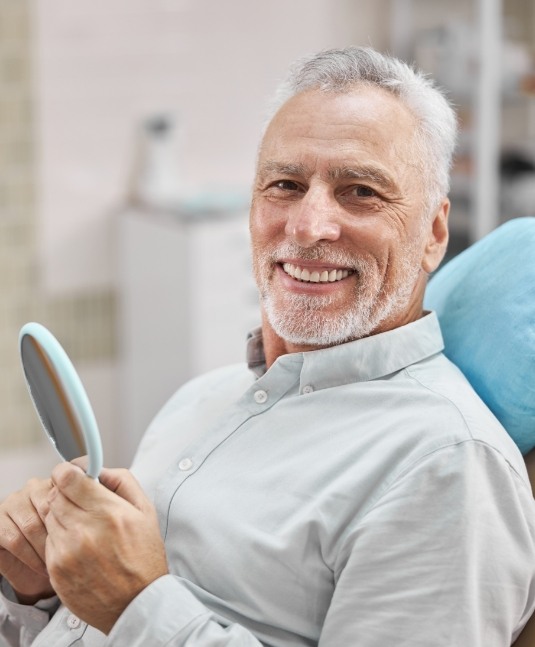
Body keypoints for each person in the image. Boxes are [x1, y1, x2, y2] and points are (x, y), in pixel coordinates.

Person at [1, 46, 535, 647]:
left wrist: (139, 605)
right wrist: (38, 593)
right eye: (284, 184)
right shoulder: (199, 399)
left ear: (434, 233)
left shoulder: (446, 465)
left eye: (360, 191)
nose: (307, 226)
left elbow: (132, 611)